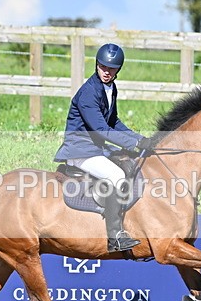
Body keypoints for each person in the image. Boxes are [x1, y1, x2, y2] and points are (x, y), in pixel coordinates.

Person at [54, 43, 154, 252]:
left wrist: (140, 139)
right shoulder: (88, 93)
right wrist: (134, 143)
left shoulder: (110, 88)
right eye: (103, 67)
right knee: (116, 176)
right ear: (97, 64)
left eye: (112, 68)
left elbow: (113, 122)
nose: (107, 72)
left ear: (119, 69)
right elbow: (101, 129)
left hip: (96, 148)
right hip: (80, 150)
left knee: (131, 162)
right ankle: (115, 237)